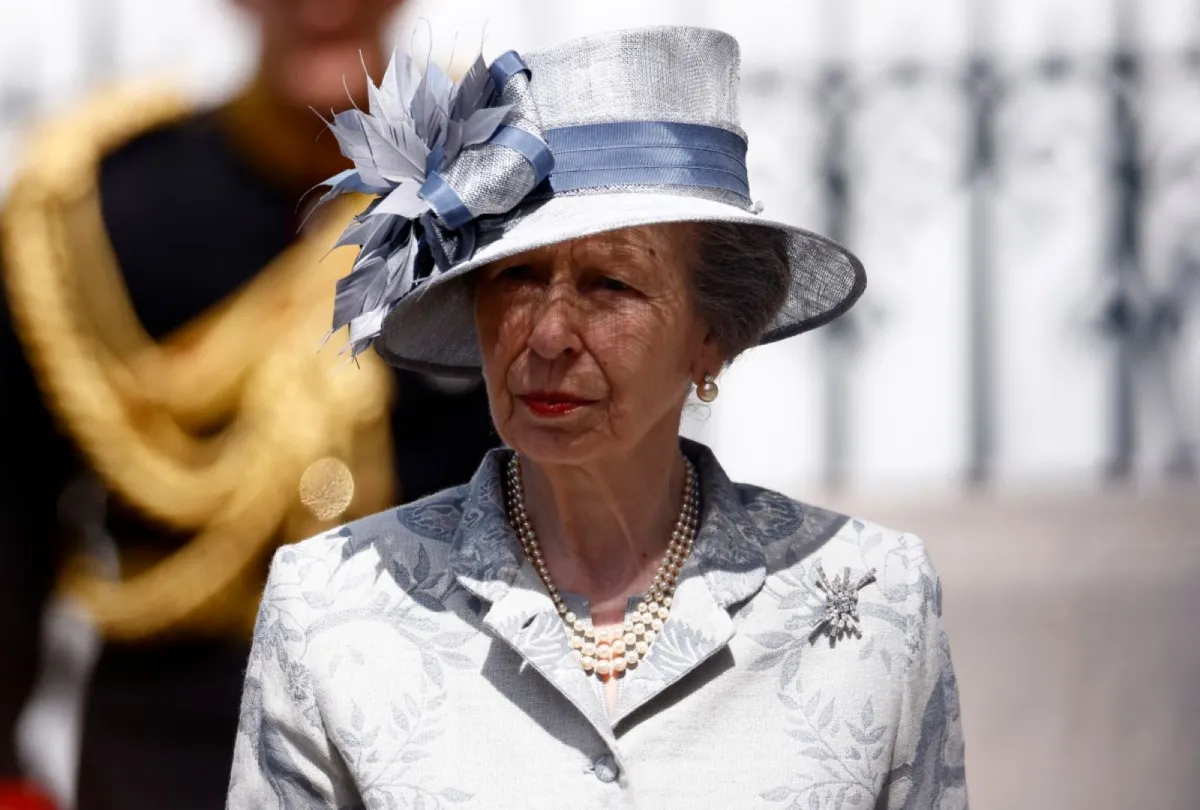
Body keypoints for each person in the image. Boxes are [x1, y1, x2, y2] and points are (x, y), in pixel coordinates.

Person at [227, 25, 967, 809]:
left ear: (711, 336)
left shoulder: (873, 602)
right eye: (517, 277)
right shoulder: (333, 609)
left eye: (611, 284)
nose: (549, 336)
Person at [0, 2, 498, 808]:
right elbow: (14, 521)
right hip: (168, 745)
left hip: (436, 731)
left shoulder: (489, 194)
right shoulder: (104, 211)